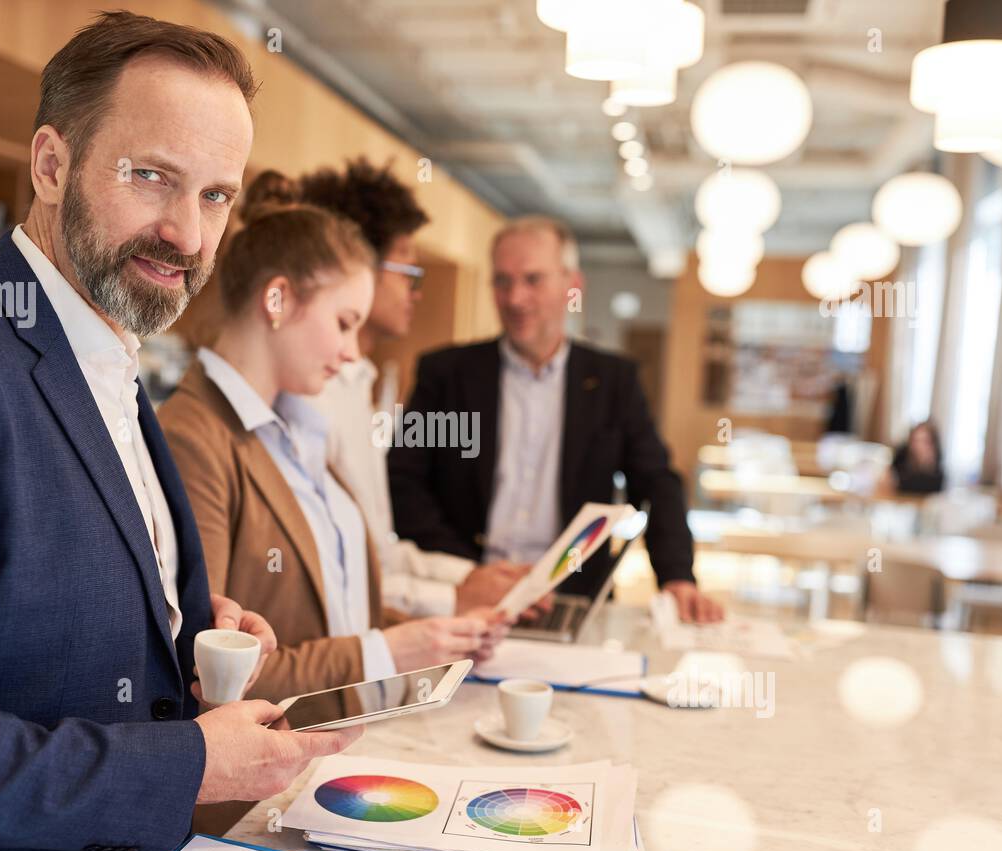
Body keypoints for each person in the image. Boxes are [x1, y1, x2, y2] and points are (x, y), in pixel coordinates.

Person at [0, 12, 359, 851]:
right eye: (151, 177)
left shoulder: (107, 361)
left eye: (214, 195)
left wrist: (170, 622)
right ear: (52, 164)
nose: (188, 236)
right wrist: (187, 763)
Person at [159, 172, 504, 720]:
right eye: (343, 324)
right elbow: (212, 671)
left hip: (341, 746)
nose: (350, 353)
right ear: (277, 299)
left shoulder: (296, 429)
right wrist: (389, 649)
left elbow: (335, 615)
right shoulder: (195, 436)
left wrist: (433, 636)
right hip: (265, 781)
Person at [389, 216, 724, 623]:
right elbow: (405, 483)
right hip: (461, 595)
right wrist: (470, 574)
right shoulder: (447, 376)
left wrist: (677, 576)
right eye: (502, 281)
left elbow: (655, 481)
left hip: (571, 600)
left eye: (533, 280)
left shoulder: (613, 382)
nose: (515, 298)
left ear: (573, 286)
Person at [299, 157, 529, 618]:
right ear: (359, 266)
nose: (417, 292)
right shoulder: (313, 392)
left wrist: (471, 578)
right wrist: (455, 596)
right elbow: (329, 574)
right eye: (410, 272)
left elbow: (378, 553)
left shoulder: (357, 380)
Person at [886, 420, 945, 495]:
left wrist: (926, 466)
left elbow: (934, 489)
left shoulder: (937, 462)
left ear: (932, 444)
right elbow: (892, 483)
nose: (918, 446)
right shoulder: (902, 454)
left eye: (924, 441)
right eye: (916, 440)